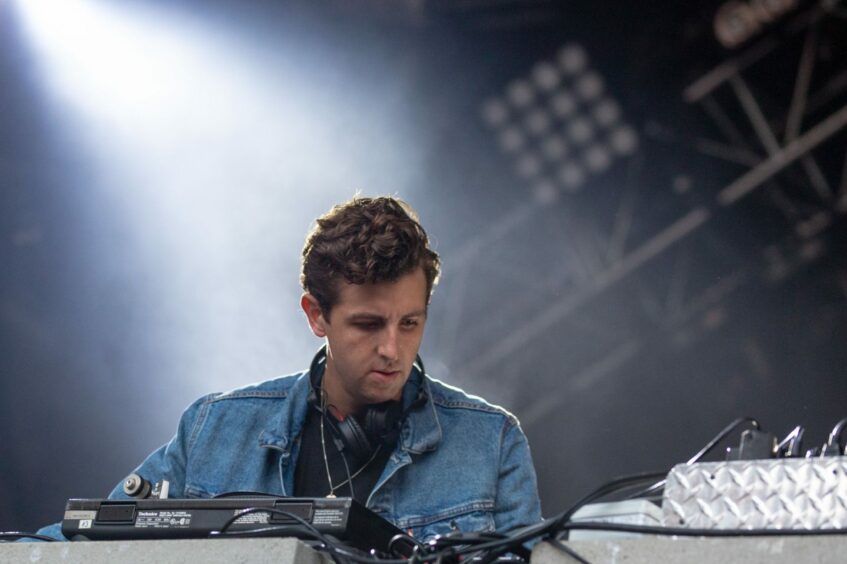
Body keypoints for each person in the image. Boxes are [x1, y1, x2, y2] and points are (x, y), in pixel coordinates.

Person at [37, 196, 542, 540]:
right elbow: (82, 544)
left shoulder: (492, 442)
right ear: (315, 315)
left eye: (410, 322)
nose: (393, 349)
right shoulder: (213, 431)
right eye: (368, 325)